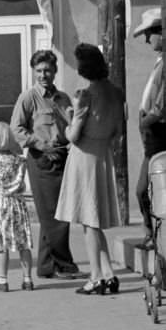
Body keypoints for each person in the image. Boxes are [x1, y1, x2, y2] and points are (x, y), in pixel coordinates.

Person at [55, 43, 123, 296]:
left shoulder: (85, 94)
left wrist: (68, 118)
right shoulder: (116, 92)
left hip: (84, 155)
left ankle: (95, 276)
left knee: (88, 220)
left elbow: (73, 135)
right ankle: (108, 273)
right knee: (94, 220)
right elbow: (118, 130)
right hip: (104, 153)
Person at [10, 49, 81, 280]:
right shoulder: (29, 98)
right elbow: (17, 129)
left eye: (48, 70)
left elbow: (71, 128)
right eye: (39, 70)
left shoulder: (63, 98)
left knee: (58, 212)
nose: (44, 75)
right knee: (51, 214)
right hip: (42, 158)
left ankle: (45, 266)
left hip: (62, 157)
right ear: (33, 71)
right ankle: (63, 263)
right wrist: (40, 145)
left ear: (55, 71)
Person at [0, 122, 34, 292]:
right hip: (18, 203)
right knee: (23, 243)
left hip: (0, 204)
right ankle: (27, 280)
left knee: (2, 243)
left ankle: (2, 280)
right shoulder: (20, 161)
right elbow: (22, 186)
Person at [132, 8, 166, 248]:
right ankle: (150, 233)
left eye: (150, 33)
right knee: (144, 189)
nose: (147, 39)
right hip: (151, 132)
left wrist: (146, 120)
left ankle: (155, 235)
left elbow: (161, 105)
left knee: (146, 189)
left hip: (158, 131)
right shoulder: (160, 62)